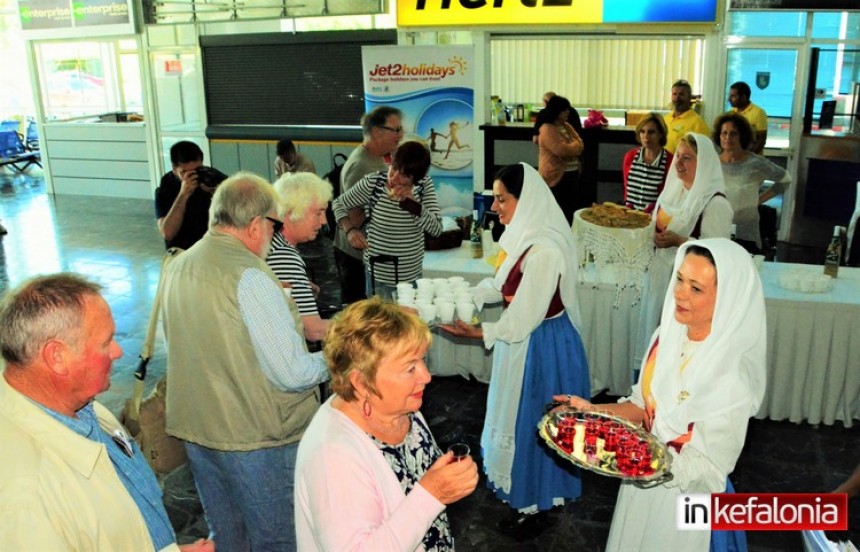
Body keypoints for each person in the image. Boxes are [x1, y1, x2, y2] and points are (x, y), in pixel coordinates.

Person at [558, 238, 766, 551]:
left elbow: (710, 471)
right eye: (679, 279)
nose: (680, 294)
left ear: (728, 300)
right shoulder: (666, 336)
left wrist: (651, 460)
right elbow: (642, 407)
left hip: (685, 499)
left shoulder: (731, 375)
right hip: (643, 483)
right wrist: (592, 413)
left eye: (696, 288)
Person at [161, 172, 330, 551]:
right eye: (273, 223)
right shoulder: (250, 277)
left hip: (199, 428)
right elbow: (292, 374)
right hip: (256, 438)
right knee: (278, 539)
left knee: (229, 535)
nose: (274, 232)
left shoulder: (179, 265)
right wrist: (339, 361)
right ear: (256, 225)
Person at [0, 273, 212, 552]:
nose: (118, 351)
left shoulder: (81, 406)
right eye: (105, 342)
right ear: (57, 357)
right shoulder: (25, 499)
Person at [440, 163, 590, 536]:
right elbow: (499, 286)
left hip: (543, 346)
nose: (496, 208)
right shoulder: (525, 238)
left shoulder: (545, 252)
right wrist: (458, 297)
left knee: (533, 423)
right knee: (519, 417)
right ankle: (531, 493)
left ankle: (537, 501)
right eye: (496, 199)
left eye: (503, 199)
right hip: (524, 341)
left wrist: (475, 332)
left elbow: (522, 319)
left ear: (527, 202)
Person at [295, 298, 479, 550]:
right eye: (409, 368)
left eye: (422, 360)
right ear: (361, 382)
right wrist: (433, 493)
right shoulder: (332, 455)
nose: (426, 376)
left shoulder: (397, 406)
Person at [634, 133, 733, 373]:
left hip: (690, 291)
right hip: (660, 280)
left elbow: (718, 253)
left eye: (687, 158)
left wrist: (680, 241)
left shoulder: (715, 204)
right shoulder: (674, 192)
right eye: (678, 156)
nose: (678, 163)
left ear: (704, 165)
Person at [333, 141, 441, 299]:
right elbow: (338, 204)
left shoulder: (424, 187)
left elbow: (436, 229)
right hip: (377, 276)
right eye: (394, 168)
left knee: (407, 322)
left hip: (410, 277)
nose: (395, 177)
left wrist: (414, 206)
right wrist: (350, 230)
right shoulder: (374, 183)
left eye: (404, 175)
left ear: (417, 179)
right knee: (379, 321)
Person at [334, 106, 403, 303]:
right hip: (356, 256)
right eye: (396, 130)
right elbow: (350, 215)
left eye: (401, 129)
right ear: (376, 132)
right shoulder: (361, 165)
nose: (401, 135)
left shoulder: (379, 158)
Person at [267, 172, 333, 342]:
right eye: (318, 213)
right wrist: (362, 326)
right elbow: (313, 330)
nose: (324, 221)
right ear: (292, 212)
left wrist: (300, 287)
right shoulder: (284, 255)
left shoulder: (272, 244)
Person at [713, 113, 791, 253]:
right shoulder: (712, 163)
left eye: (733, 133)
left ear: (742, 136)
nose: (728, 137)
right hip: (718, 228)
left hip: (746, 230)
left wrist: (759, 200)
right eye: (724, 133)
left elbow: (786, 179)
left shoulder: (754, 163)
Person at [155, 140, 227, 250]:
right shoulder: (165, 189)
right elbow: (167, 233)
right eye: (185, 172)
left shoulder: (210, 177)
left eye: (196, 171)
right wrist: (183, 194)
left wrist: (216, 194)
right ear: (174, 169)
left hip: (210, 246)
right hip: (181, 251)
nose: (192, 177)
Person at [538, 95, 586, 224]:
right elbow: (562, 150)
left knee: (571, 211)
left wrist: (574, 146)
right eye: (564, 109)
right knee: (559, 213)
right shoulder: (547, 129)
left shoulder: (567, 126)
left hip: (572, 174)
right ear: (557, 111)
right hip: (556, 177)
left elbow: (581, 143)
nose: (568, 112)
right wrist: (574, 146)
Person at [622, 113, 674, 212]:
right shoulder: (630, 157)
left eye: (651, 132)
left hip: (655, 219)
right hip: (630, 218)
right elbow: (626, 189)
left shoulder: (670, 161)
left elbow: (670, 197)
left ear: (661, 134)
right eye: (642, 131)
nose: (646, 136)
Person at [663, 79, 710, 154]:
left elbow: (704, 151)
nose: (677, 98)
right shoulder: (665, 119)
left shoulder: (697, 122)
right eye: (674, 94)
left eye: (681, 94)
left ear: (689, 98)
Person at [728, 81, 768, 154]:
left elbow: (761, 140)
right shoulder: (731, 113)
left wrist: (749, 158)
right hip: (734, 158)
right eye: (730, 96)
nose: (729, 99)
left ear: (743, 97)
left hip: (752, 160)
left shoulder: (758, 112)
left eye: (733, 96)